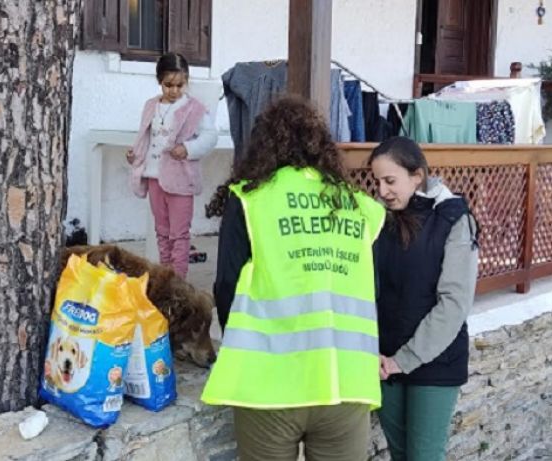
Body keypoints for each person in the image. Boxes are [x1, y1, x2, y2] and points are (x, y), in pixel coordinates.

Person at [202, 97, 386, 461]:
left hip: (268, 384)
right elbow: (372, 288)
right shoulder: (359, 205)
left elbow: (226, 286)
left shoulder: (251, 200)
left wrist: (237, 340)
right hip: (346, 383)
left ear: (262, 147)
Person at [369, 136, 478, 461]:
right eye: (377, 182)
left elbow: (454, 303)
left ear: (417, 175)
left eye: (390, 181)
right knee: (400, 455)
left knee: (424, 457)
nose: (382, 190)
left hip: (434, 363)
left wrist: (405, 359)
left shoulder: (454, 219)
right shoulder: (378, 220)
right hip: (384, 362)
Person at [126, 52, 217, 278]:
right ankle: (166, 277)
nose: (174, 91)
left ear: (187, 81)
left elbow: (210, 136)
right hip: (154, 176)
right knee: (162, 232)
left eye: (180, 85)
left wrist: (188, 148)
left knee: (179, 234)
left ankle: (178, 282)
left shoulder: (194, 109)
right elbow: (146, 137)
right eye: (168, 85)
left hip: (181, 179)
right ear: (159, 81)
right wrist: (135, 154)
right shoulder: (150, 107)